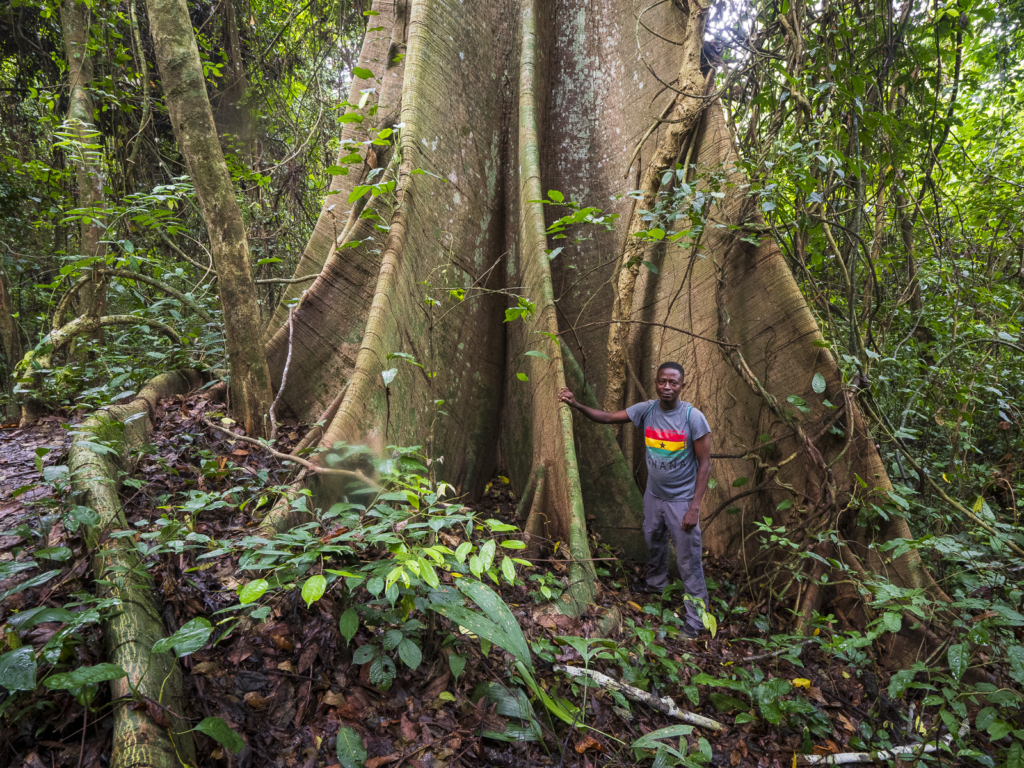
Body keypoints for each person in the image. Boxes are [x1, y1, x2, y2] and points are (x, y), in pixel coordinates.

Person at [558, 362, 712, 638]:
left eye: (673, 382)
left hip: (682, 501)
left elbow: (705, 464)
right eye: (662, 381)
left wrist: (695, 507)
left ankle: (696, 619)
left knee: (688, 560)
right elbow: (607, 418)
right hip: (654, 495)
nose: (667, 387)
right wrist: (576, 405)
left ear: (682, 386)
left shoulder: (693, 418)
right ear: (656, 383)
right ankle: (656, 584)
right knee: (653, 539)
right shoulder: (647, 410)